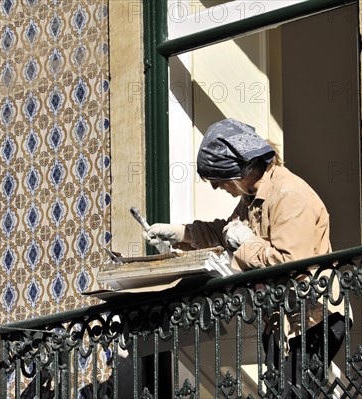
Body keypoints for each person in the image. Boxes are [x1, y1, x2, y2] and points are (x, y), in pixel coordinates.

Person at [143, 118, 347, 394]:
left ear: (241, 169)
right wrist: (179, 233)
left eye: (219, 180)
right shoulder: (252, 199)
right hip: (281, 324)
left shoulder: (290, 196)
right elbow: (224, 234)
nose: (217, 188)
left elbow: (290, 263)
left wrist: (248, 242)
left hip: (314, 320)